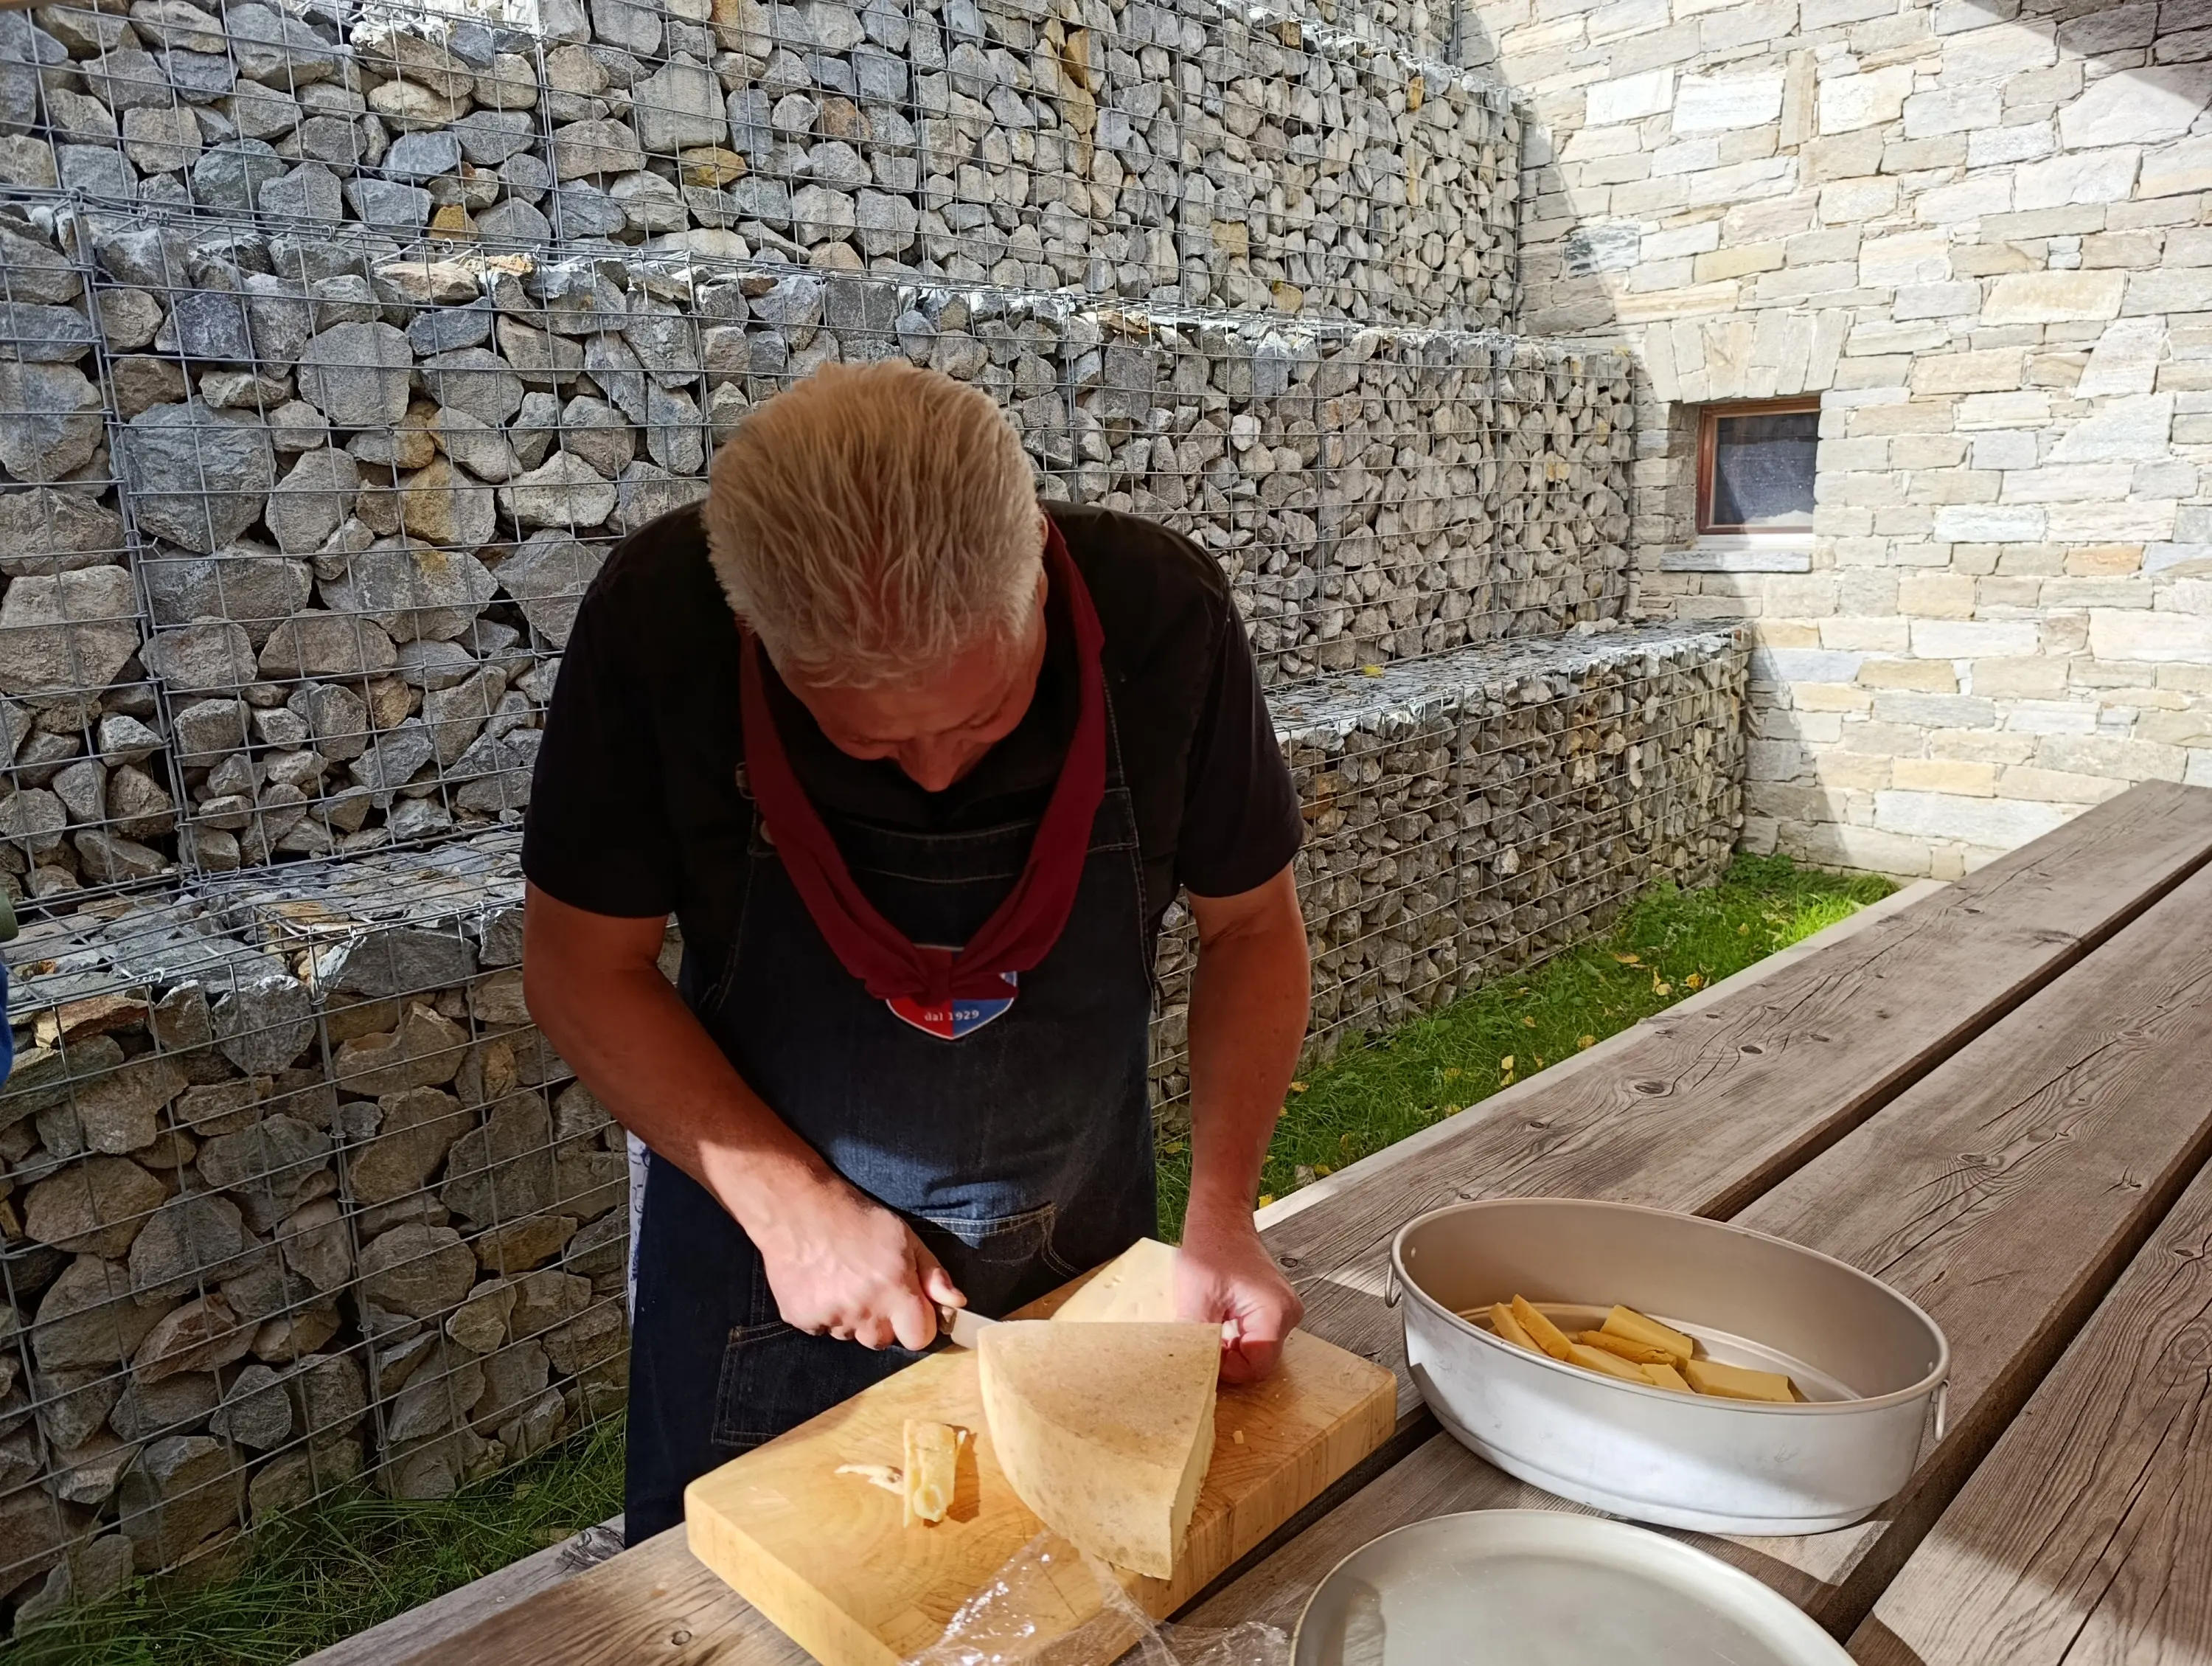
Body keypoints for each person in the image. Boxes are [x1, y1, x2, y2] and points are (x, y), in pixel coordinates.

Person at [521, 361, 1312, 1543]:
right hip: (762, 1262)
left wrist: (1224, 1217)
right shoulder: (660, 625)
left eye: (983, 716)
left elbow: (1252, 928)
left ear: (1038, 570)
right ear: (758, 634)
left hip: (1081, 1257)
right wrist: (795, 1213)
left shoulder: (1162, 617)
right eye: (866, 743)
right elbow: (579, 965)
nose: (938, 770)